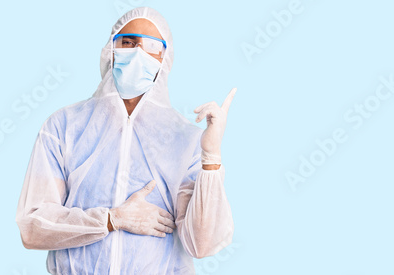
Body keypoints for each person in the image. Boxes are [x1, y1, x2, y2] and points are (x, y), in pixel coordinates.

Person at [15, 7, 236, 274]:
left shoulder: (186, 139)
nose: (138, 53)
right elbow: (33, 226)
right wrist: (111, 219)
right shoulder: (63, 127)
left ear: (165, 58)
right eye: (128, 42)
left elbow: (201, 244)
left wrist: (211, 158)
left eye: (151, 46)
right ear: (111, 49)